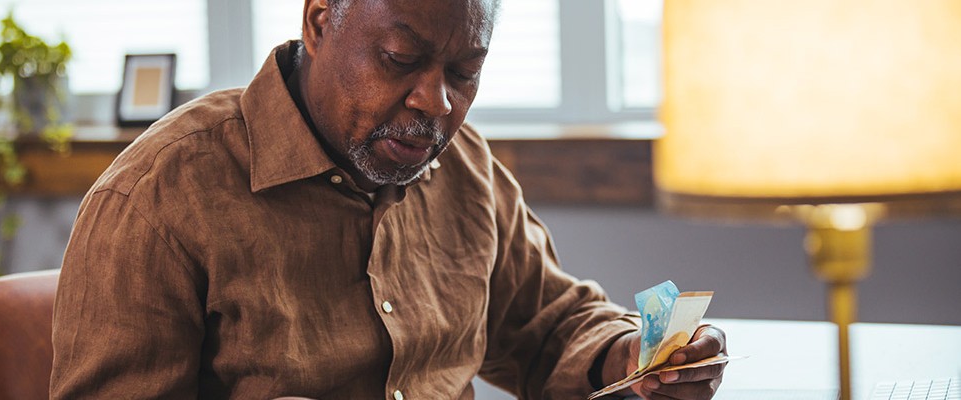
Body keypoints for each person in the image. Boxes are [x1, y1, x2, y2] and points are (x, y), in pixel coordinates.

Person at [50, 0, 727, 399]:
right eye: (401, 60)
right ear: (319, 23)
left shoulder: (464, 165)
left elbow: (548, 326)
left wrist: (637, 358)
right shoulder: (157, 200)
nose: (437, 102)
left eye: (465, 73)